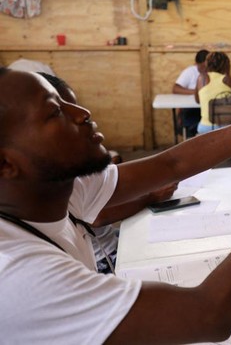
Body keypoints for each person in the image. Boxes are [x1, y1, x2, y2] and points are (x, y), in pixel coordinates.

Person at [0, 66, 231, 343]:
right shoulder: (19, 277)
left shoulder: (54, 188)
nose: (82, 113)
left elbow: (174, 165)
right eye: (54, 113)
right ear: (5, 164)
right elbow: (209, 315)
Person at [39, 72, 179, 274]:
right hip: (105, 259)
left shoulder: (73, 169)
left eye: (77, 105)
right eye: (60, 113)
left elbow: (174, 163)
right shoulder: (57, 181)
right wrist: (150, 197)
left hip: (111, 240)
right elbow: (97, 217)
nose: (84, 114)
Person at [195, 52, 231, 134]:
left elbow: (197, 100)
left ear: (207, 63)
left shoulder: (202, 78)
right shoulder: (229, 80)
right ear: (227, 64)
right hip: (225, 126)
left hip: (206, 127)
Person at [172, 49, 209, 138]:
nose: (205, 70)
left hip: (208, 108)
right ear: (196, 64)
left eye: (206, 66)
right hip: (192, 109)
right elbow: (175, 89)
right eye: (202, 67)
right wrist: (196, 92)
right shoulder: (190, 71)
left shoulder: (213, 71)